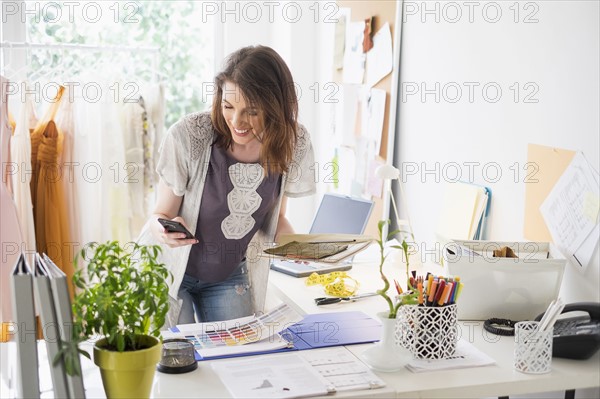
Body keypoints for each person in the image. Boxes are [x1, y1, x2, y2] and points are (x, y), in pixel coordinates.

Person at [141, 45, 316, 326]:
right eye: (228, 106)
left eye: (252, 111)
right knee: (179, 359)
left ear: (276, 107)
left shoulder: (292, 144)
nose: (236, 121)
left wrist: (302, 250)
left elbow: (277, 219)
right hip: (172, 271)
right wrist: (164, 229)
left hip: (228, 274)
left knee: (239, 359)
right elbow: (158, 215)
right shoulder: (189, 136)